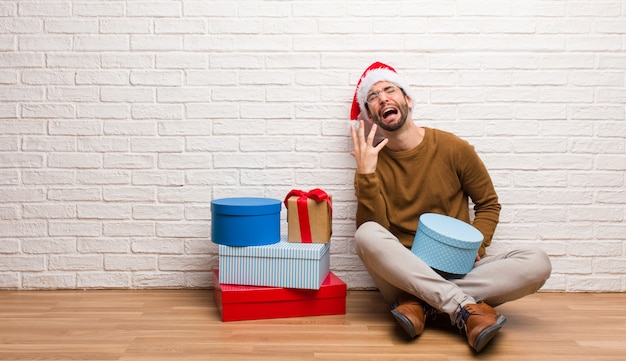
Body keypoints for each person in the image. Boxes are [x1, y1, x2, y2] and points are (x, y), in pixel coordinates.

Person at [348, 62, 552, 353]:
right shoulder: (371, 163)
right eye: (373, 96)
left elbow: (488, 204)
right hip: (405, 274)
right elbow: (375, 231)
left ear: (407, 99)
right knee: (366, 233)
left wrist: (476, 250)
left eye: (389, 89)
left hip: (457, 269)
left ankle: (422, 305)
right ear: (371, 115)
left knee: (537, 261)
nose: (382, 98)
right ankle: (464, 308)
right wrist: (367, 175)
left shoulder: (454, 148)